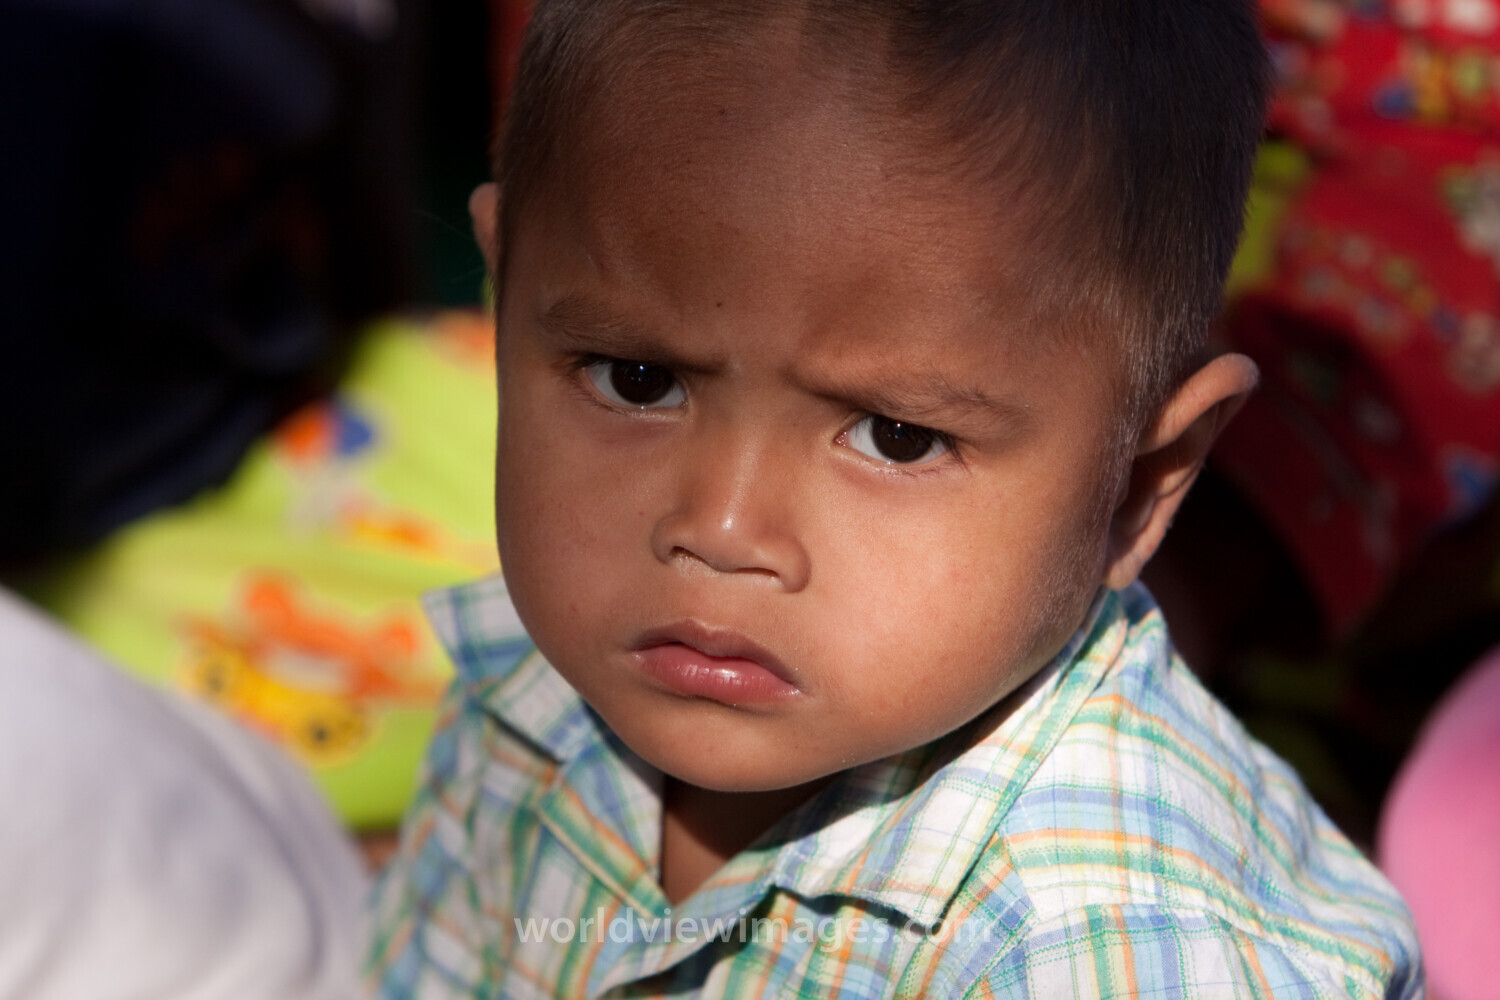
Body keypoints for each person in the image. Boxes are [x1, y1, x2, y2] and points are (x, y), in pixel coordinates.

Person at [365, 2, 1423, 996]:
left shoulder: (1120, 950)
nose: (721, 531)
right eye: (636, 378)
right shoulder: (527, 692)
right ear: (505, 314)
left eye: (896, 437)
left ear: (1139, 485)